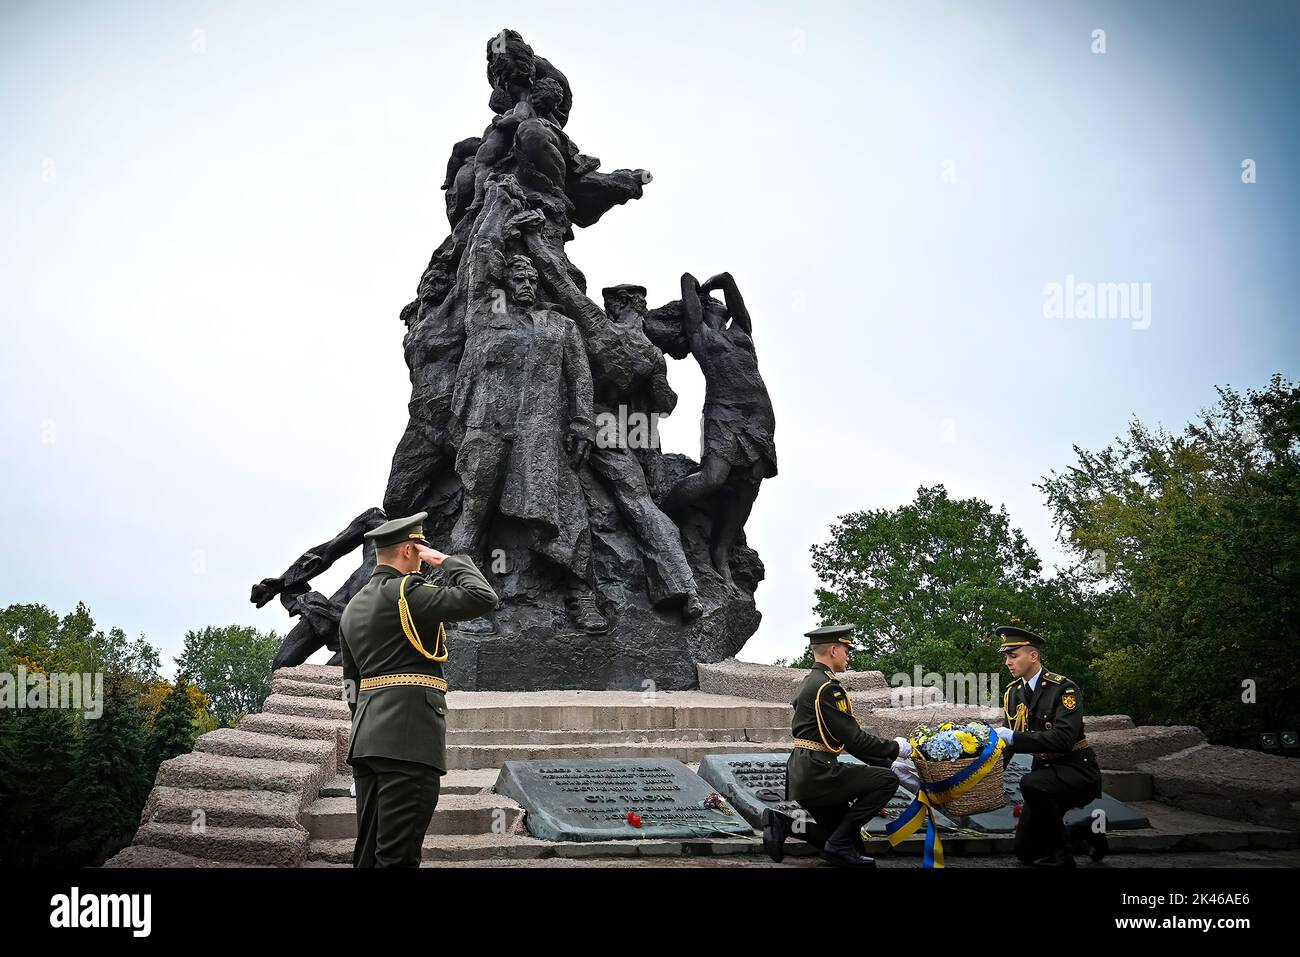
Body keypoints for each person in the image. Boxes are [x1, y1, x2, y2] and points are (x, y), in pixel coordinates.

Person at [338, 512, 498, 867]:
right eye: (422, 549)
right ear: (410, 550)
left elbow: (352, 686)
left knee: (367, 855)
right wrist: (447, 561)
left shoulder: (352, 608)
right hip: (409, 743)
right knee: (398, 857)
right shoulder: (408, 594)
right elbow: (483, 597)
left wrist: (368, 730)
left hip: (367, 742)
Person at [762, 624, 913, 868]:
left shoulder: (810, 682)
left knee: (850, 848)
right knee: (886, 781)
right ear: (833, 650)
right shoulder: (828, 688)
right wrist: (896, 748)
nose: (848, 655)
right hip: (819, 774)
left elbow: (842, 740)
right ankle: (839, 843)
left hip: (805, 772)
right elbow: (854, 739)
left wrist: (888, 762)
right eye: (845, 649)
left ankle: (784, 824)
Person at [991, 625, 1107, 867]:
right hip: (1044, 777)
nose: (1007, 662)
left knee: (1030, 783)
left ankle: (1063, 857)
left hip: (1076, 771)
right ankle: (1088, 829)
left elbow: (1063, 739)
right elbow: (1008, 745)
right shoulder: (1013, 693)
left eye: (1014, 656)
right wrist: (984, 775)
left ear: (1033, 656)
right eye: (1006, 657)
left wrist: (1013, 737)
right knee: (1025, 851)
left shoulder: (1063, 688)